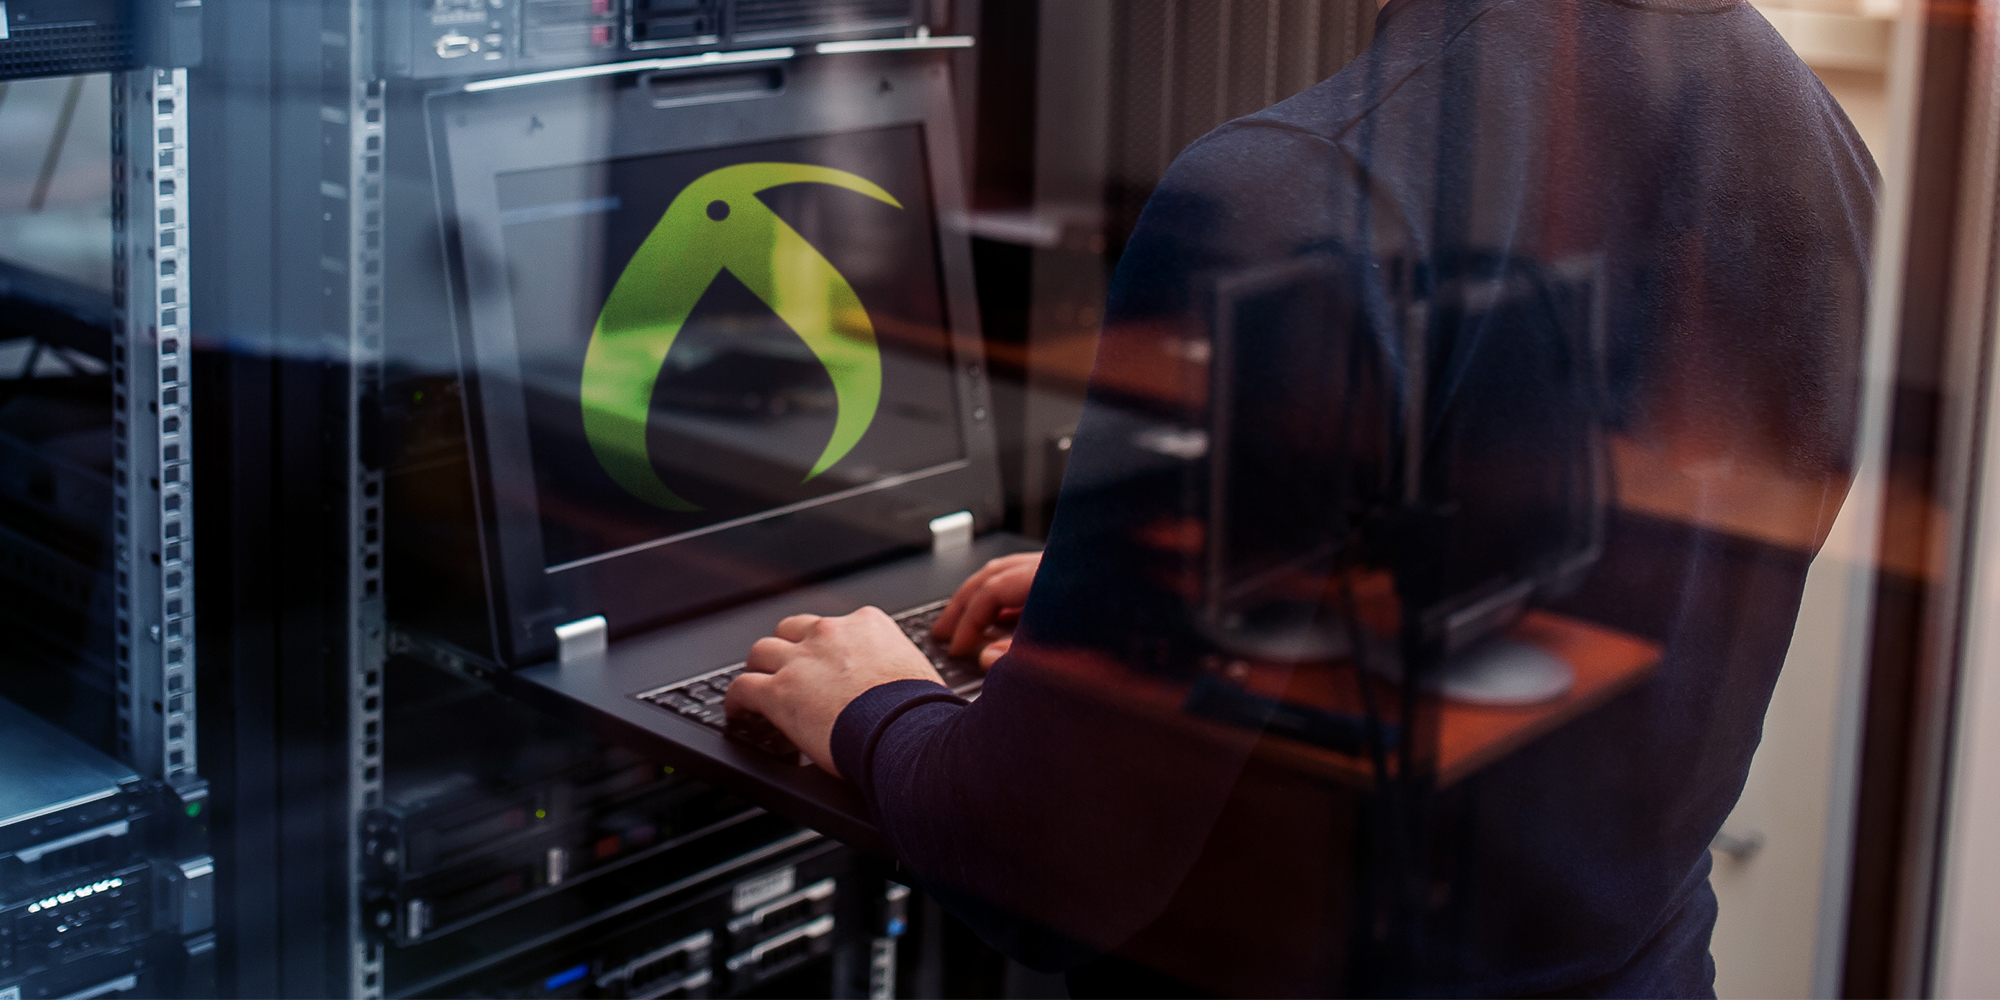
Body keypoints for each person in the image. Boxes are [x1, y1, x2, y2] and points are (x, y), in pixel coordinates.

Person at [724, 0, 1877, 993]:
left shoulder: (1289, 194)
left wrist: (874, 705)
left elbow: (1046, 865)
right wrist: (1161, 599)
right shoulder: (1819, 145)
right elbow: (1604, 592)